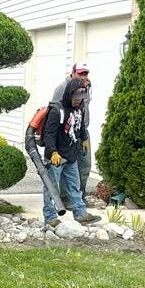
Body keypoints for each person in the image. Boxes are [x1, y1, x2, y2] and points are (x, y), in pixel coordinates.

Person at [42, 77, 101, 228]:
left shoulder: (80, 108)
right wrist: (52, 152)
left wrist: (85, 139)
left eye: (81, 98)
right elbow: (48, 134)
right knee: (51, 187)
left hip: (71, 155)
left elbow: (81, 127)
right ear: (69, 94)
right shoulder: (57, 111)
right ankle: (50, 217)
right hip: (56, 156)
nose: (77, 101)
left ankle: (80, 214)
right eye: (75, 98)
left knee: (75, 186)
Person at [52, 63, 92, 201]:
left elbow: (83, 108)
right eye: (81, 73)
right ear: (73, 72)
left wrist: (84, 135)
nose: (84, 76)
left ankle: (80, 196)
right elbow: (55, 112)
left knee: (85, 165)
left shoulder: (87, 86)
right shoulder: (62, 88)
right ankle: (65, 198)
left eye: (85, 73)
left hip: (82, 131)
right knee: (66, 165)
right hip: (66, 134)